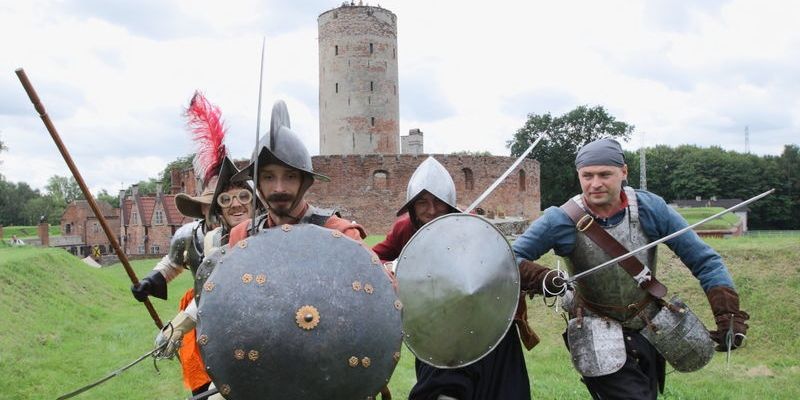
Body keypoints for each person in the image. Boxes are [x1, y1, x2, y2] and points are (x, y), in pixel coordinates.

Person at [154, 100, 367, 399]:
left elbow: (372, 299)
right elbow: (219, 293)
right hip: (260, 365)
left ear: (305, 181)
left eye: (289, 176)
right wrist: (180, 325)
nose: (279, 187)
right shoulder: (243, 235)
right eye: (268, 177)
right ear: (258, 182)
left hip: (323, 371)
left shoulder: (338, 233)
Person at [512, 138, 750, 399]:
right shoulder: (560, 219)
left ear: (623, 172)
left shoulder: (650, 208)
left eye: (605, 174)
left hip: (650, 326)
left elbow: (704, 260)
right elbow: (510, 258)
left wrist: (727, 313)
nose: (595, 183)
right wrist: (542, 277)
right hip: (594, 329)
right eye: (587, 175)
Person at [372, 156, 540, 400]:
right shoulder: (404, 230)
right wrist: (392, 268)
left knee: (502, 391)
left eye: (438, 202)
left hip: (483, 321)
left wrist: (541, 277)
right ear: (412, 206)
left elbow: (502, 264)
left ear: (449, 203)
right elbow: (372, 259)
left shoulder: (470, 227)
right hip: (436, 327)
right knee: (441, 391)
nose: (431, 210)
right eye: (422, 202)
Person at [132, 92, 256, 399]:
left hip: (260, 322)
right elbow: (178, 266)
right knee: (208, 379)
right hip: (210, 311)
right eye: (224, 201)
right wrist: (152, 282)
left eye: (243, 198)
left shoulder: (266, 232)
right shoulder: (205, 238)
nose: (234, 205)